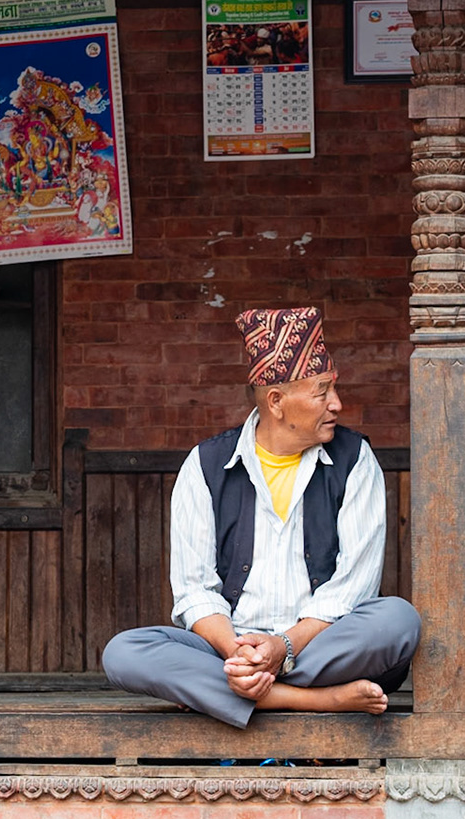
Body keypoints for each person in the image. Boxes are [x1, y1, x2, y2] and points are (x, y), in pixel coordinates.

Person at [100, 307, 421, 727]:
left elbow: (353, 589)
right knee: (125, 652)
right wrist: (237, 652)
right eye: (322, 392)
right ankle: (319, 701)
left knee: (397, 621)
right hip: (230, 650)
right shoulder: (206, 465)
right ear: (277, 402)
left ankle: (218, 692)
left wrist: (282, 648)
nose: (336, 404)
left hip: (316, 647)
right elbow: (194, 590)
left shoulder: (355, 459)